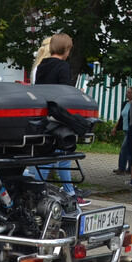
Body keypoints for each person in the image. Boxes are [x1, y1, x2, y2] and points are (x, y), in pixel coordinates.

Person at [30, 33, 89, 206]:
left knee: (48, 155)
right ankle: (63, 192)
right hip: (57, 117)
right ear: (67, 50)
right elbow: (64, 93)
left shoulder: (41, 66)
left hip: (44, 115)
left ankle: (43, 186)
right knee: (60, 155)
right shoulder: (63, 66)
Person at [113, 87, 132, 175]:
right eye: (127, 92)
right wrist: (115, 127)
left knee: (124, 149)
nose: (126, 94)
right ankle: (129, 169)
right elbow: (121, 116)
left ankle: (121, 169)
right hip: (125, 129)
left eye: (129, 92)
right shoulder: (125, 103)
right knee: (130, 150)